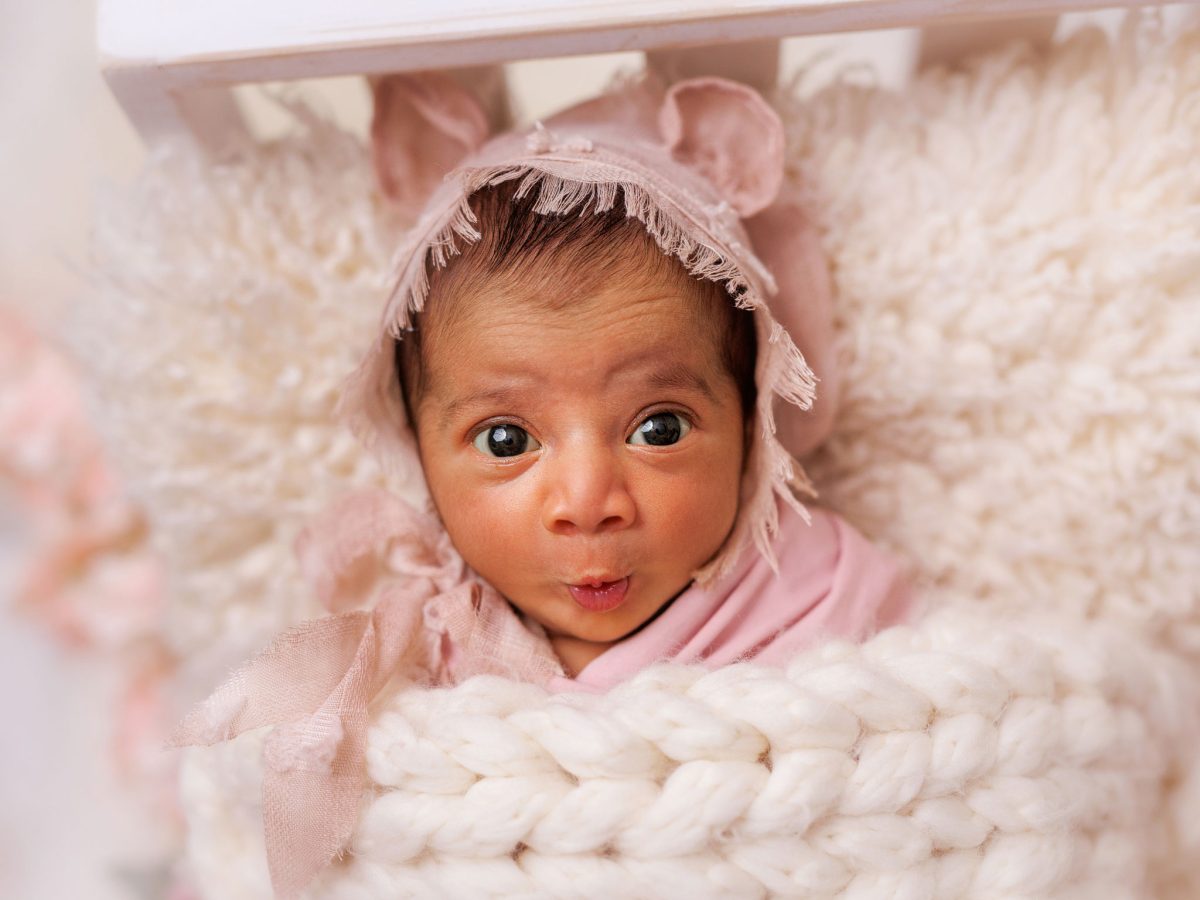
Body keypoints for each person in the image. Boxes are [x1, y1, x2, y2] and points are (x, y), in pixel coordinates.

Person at [173, 70, 914, 898]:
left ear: (751, 423)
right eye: (506, 440)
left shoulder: (820, 586)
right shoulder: (428, 643)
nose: (588, 502)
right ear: (419, 455)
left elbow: (909, 753)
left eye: (658, 428)